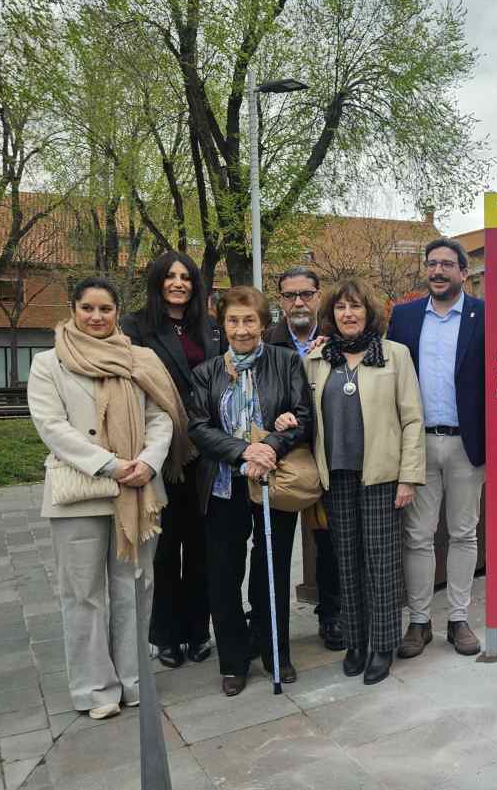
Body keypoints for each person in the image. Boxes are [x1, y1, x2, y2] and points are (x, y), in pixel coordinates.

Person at [28, 277, 189, 720]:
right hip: (81, 492)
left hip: (138, 490)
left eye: (105, 309)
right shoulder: (49, 363)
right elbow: (51, 426)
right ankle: (95, 690)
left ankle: (135, 681)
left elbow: (162, 416)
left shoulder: (140, 359)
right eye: (87, 308)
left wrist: (150, 461)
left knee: (135, 589)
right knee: (82, 595)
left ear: (118, 312)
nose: (96, 317)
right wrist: (110, 464)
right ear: (73, 310)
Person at [189, 286, 313, 697]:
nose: (241, 329)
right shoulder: (207, 372)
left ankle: (275, 651)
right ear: (222, 325)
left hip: (274, 483)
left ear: (263, 323)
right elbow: (199, 428)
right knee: (224, 576)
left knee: (271, 571)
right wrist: (245, 451)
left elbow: (304, 418)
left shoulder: (285, 361)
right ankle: (233, 660)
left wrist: (271, 449)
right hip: (225, 487)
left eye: (250, 320)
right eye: (233, 321)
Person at [304, 278, 424, 685]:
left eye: (355, 307)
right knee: (347, 562)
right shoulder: (318, 359)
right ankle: (356, 640)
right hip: (335, 475)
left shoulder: (394, 355)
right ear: (331, 315)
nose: (348, 314)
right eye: (340, 308)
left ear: (369, 312)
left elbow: (412, 419)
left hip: (381, 476)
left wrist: (409, 476)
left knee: (382, 564)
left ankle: (383, 644)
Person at [121, 251, 224, 670]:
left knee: (202, 546)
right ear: (157, 281)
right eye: (171, 276)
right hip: (162, 449)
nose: (178, 283)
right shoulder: (136, 326)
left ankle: (199, 631)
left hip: (208, 451)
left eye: (186, 277)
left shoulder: (210, 327)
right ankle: (165, 635)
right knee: (165, 550)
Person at [387, 237, 486, 659]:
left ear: (464, 272)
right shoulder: (405, 317)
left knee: (464, 533)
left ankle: (459, 619)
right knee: (417, 536)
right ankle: (419, 622)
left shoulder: (486, 315)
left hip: (468, 442)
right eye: (432, 264)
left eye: (448, 264)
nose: (439, 271)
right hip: (418, 444)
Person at [264, 266, 344, 650]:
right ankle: (272, 628)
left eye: (306, 294)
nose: (298, 302)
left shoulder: (337, 339)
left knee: (328, 544)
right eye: (290, 295)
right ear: (280, 300)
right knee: (275, 546)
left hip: (327, 455)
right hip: (283, 458)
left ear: (318, 295)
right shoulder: (266, 342)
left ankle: (331, 616)